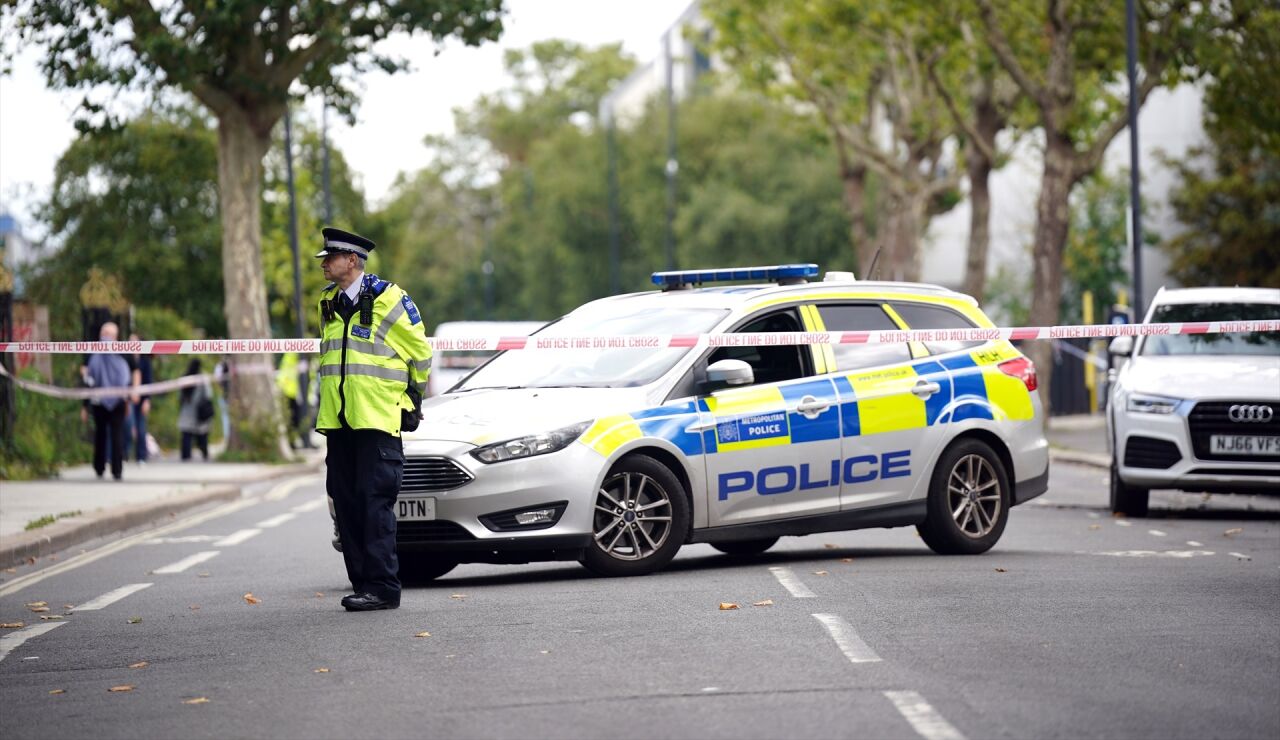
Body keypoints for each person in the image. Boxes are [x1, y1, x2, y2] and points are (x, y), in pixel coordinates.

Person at [314, 227, 432, 612]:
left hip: (378, 419)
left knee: (374, 502)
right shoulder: (327, 302)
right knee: (346, 505)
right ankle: (362, 584)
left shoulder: (389, 298)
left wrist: (411, 398)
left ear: (352, 260)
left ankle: (383, 586)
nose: (325, 264)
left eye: (331, 257)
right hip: (338, 420)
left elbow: (420, 353)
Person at [80, 321, 138, 480]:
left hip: (105, 399)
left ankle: (104, 468)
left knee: (105, 434)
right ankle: (114, 470)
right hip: (114, 399)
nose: (106, 338)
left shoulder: (93, 352)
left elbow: (87, 377)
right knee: (110, 433)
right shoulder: (121, 352)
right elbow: (128, 376)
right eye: (104, 334)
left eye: (108, 335)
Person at [124, 333, 153, 464]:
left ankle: (141, 456)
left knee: (141, 429)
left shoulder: (144, 361)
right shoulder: (125, 359)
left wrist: (147, 399)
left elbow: (148, 381)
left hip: (141, 399)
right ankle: (125, 454)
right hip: (127, 398)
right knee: (127, 426)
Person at [177, 358, 213, 461]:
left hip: (186, 410)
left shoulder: (185, 377)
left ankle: (186, 455)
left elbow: (180, 396)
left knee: (186, 435)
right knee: (202, 435)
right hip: (199, 411)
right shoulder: (202, 378)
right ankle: (204, 453)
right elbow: (208, 395)